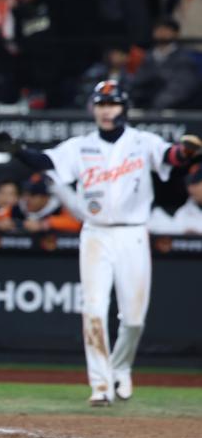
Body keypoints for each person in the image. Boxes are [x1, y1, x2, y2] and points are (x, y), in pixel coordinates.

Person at [13, 79, 201, 406]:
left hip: (133, 232)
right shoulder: (80, 146)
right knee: (94, 309)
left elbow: (171, 156)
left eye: (112, 104)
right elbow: (47, 162)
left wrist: (186, 151)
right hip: (96, 233)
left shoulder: (142, 141)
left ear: (124, 108)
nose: (106, 110)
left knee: (134, 319)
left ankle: (121, 367)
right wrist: (18, 151)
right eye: (101, 104)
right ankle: (100, 385)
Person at [131, 18, 200, 110]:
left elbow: (182, 87)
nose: (162, 32)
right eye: (159, 29)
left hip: (175, 110)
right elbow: (135, 82)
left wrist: (156, 106)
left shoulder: (185, 59)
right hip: (142, 108)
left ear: (176, 33)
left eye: (167, 29)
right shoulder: (144, 57)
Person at [0, 173, 81, 232]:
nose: (27, 199)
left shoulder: (58, 207)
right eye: (26, 194)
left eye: (33, 195)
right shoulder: (18, 207)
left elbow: (76, 224)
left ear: (45, 198)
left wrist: (44, 224)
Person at [149, 163, 202, 234]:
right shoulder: (183, 212)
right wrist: (186, 236)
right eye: (189, 182)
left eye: (196, 182)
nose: (191, 188)